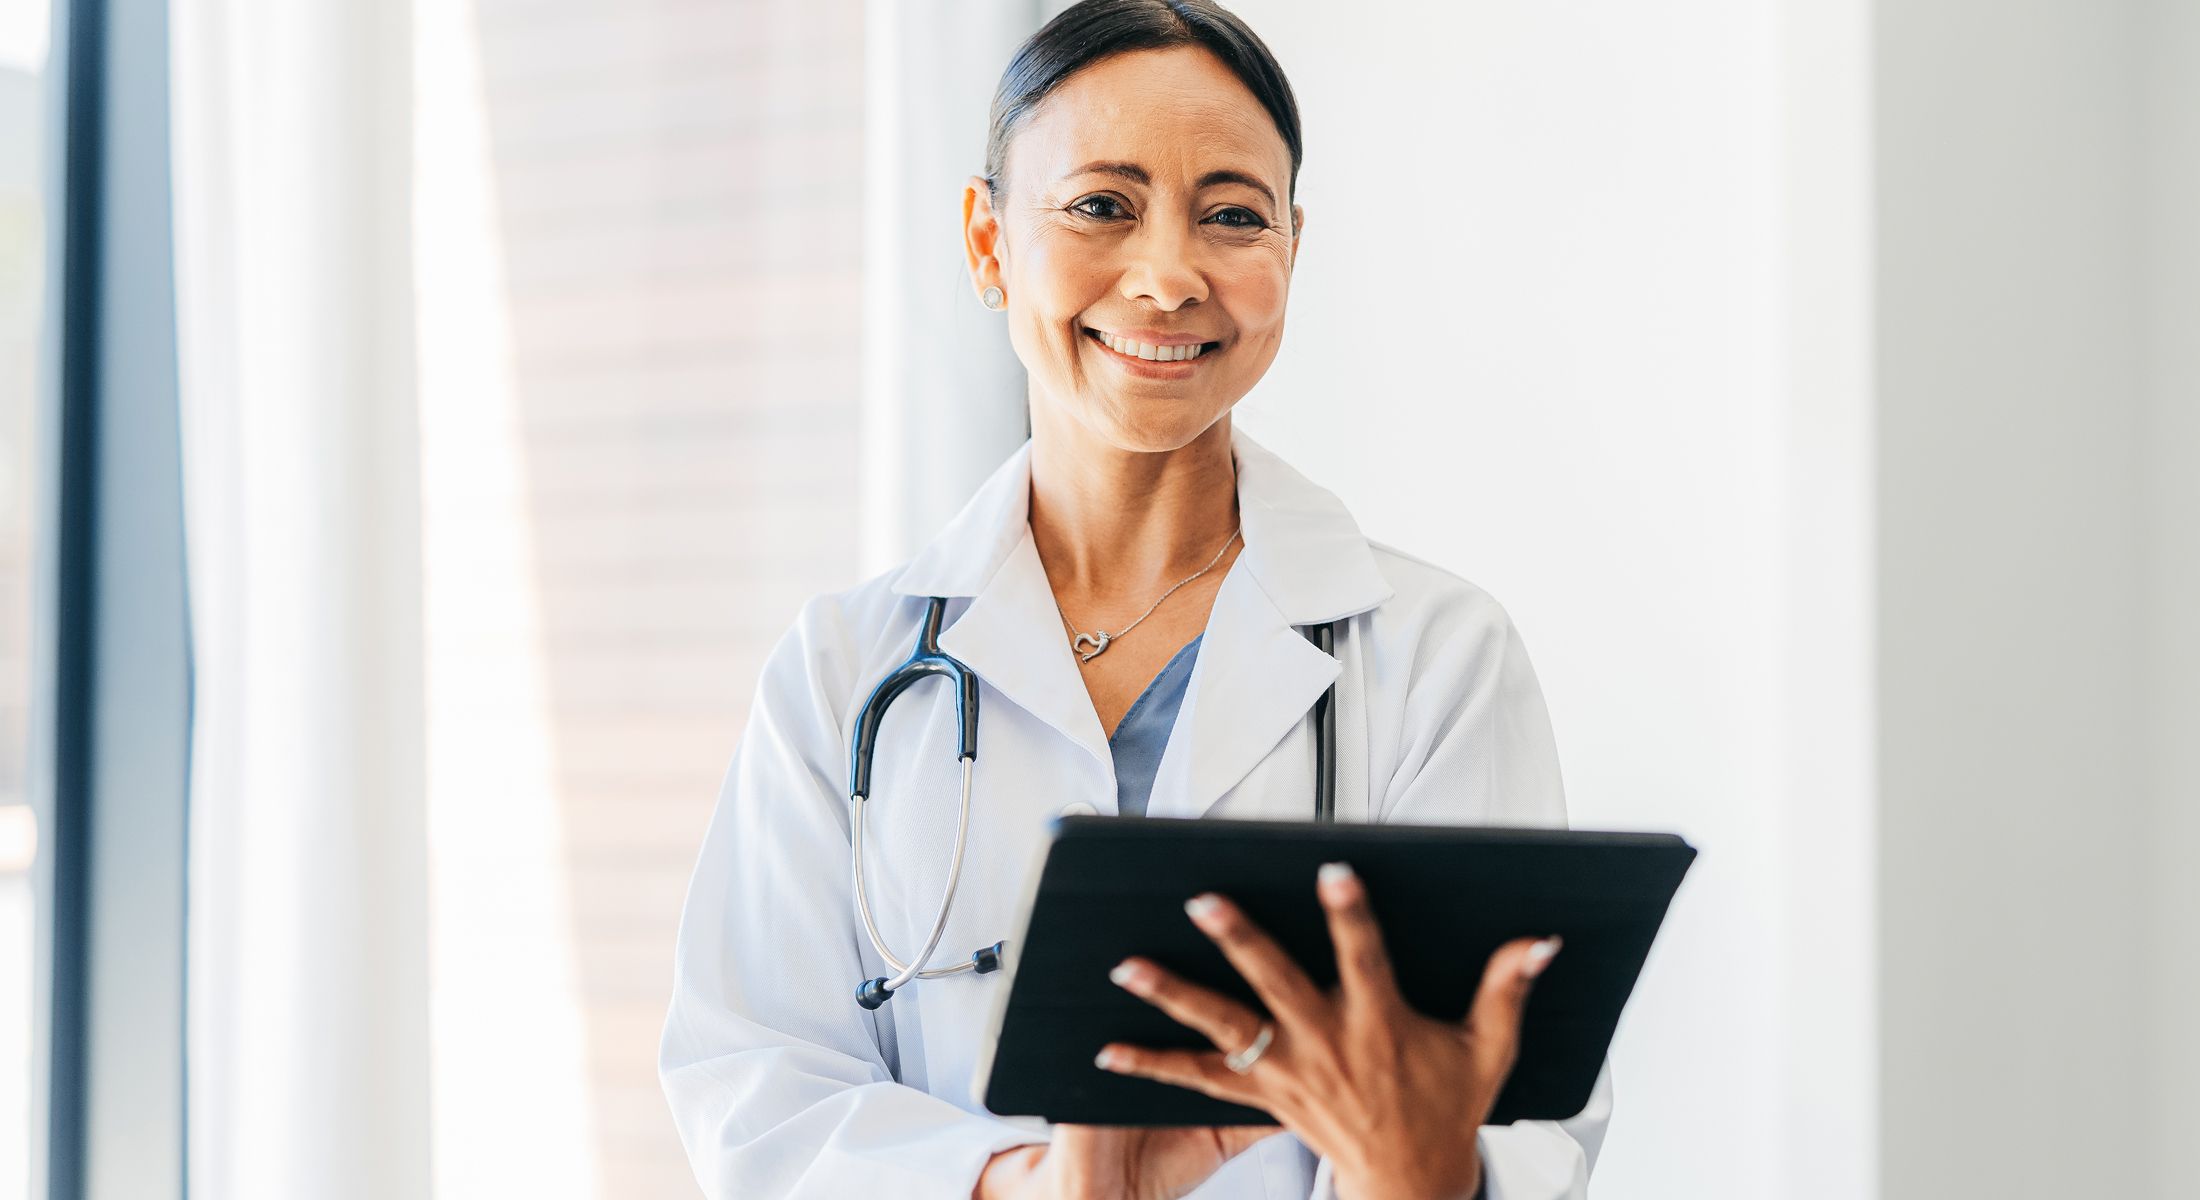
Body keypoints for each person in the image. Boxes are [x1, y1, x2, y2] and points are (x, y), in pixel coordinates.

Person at [659, 2, 1612, 1196]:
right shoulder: (842, 672)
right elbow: (754, 1095)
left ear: (1291, 250)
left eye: (1231, 216)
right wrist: (1037, 1186)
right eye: (1101, 205)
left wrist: (1421, 1170)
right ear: (987, 239)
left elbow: (1522, 1123)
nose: (1167, 277)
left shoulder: (1433, 657)